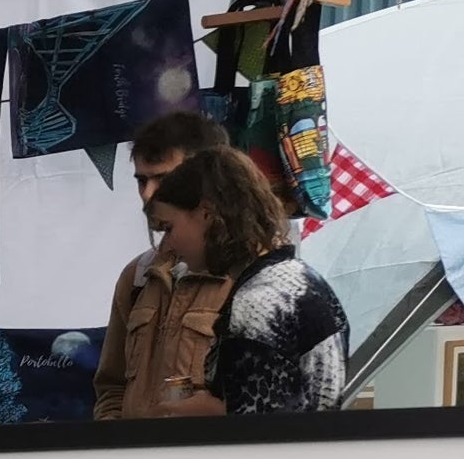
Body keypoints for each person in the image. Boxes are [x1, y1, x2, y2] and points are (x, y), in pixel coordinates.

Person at [143, 150, 347, 415]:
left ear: (206, 215)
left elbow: (257, 432)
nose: (168, 244)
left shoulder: (257, 302)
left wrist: (208, 412)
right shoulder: (305, 279)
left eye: (169, 228)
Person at [91, 107, 237, 419]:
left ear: (211, 177)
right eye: (141, 180)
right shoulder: (138, 276)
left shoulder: (251, 274)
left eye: (164, 179)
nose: (148, 194)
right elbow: (112, 389)